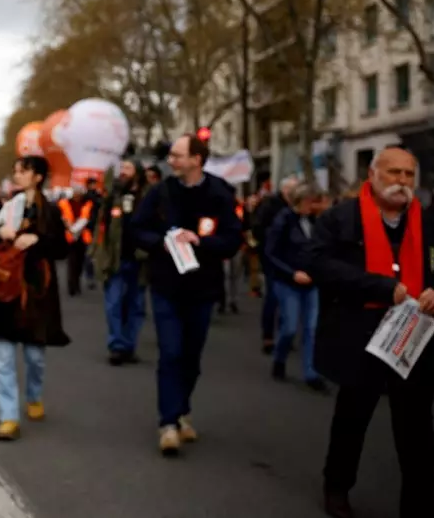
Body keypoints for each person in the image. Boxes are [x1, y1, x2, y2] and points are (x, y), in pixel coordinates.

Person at [306, 146, 434, 518]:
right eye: (394, 173)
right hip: (360, 337)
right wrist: (379, 287)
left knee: (417, 427)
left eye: (408, 175)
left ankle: (419, 503)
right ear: (372, 175)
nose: (401, 182)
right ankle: (336, 487)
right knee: (352, 418)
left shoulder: (430, 222)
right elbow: (318, 263)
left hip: (416, 339)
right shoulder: (339, 219)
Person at [131, 134, 242, 456]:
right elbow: (137, 229)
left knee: (191, 356)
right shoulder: (159, 192)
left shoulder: (220, 192)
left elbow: (233, 239)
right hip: (166, 286)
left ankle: (181, 410)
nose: (171, 160)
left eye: (178, 155)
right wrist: (161, 242)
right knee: (171, 352)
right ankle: (168, 423)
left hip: (203, 289)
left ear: (196, 159)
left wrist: (201, 242)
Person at [0, 155, 70, 441]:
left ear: (38, 176)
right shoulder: (6, 207)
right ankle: (8, 417)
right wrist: (0, 231)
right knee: (3, 357)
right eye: (16, 170)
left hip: (34, 292)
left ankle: (33, 395)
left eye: (23, 171)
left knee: (34, 357)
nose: (17, 175)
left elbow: (61, 249)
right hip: (5, 290)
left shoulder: (51, 211)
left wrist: (37, 241)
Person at [264, 182, 328, 392]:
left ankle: (311, 372)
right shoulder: (283, 220)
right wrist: (292, 273)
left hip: (312, 282)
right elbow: (271, 253)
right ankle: (279, 359)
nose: (314, 206)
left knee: (311, 328)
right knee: (290, 327)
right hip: (287, 282)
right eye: (311, 201)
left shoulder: (314, 222)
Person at [91, 160, 148, 365]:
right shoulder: (111, 198)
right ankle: (116, 346)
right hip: (115, 261)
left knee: (136, 305)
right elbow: (101, 227)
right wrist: (98, 254)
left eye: (128, 169)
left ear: (137, 174)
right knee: (114, 303)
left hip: (140, 261)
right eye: (121, 169)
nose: (123, 173)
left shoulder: (147, 198)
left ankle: (129, 346)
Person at [253, 176, 299, 353]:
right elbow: (258, 229)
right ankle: (268, 337)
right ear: (285, 190)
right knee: (273, 297)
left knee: (287, 299)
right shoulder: (270, 205)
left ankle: (284, 335)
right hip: (272, 259)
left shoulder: (295, 207)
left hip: (290, 260)